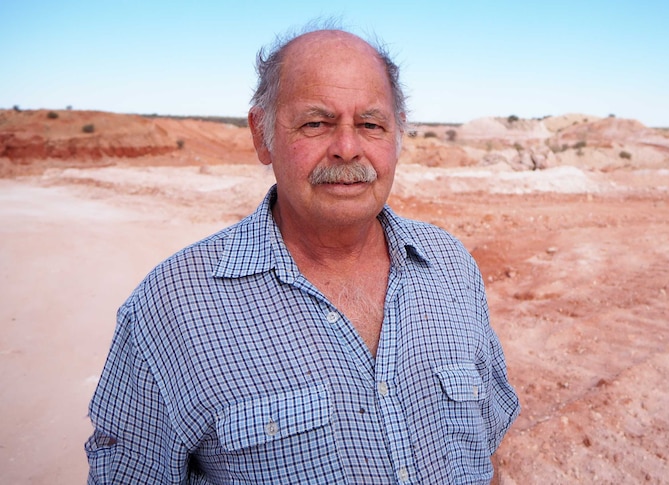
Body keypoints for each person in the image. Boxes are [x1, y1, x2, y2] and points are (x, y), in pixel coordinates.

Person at [85, 23, 519, 484]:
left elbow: (484, 447)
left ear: (396, 136)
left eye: (371, 125)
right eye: (316, 123)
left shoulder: (451, 267)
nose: (348, 148)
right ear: (261, 135)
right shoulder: (171, 308)